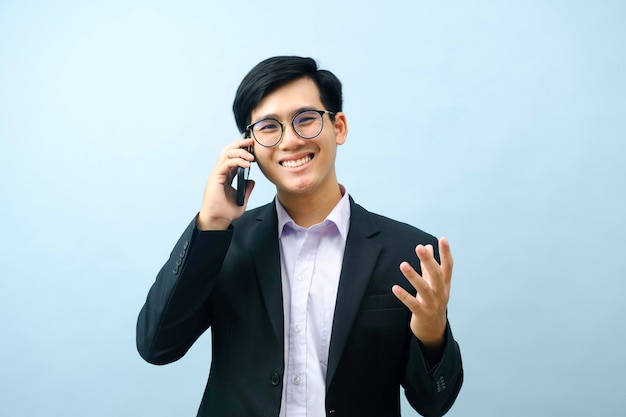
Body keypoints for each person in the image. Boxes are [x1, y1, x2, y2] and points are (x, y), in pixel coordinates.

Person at [136, 56, 463, 417]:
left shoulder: (409, 252)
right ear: (249, 147)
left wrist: (433, 333)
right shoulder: (222, 243)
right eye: (268, 127)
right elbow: (157, 348)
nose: (290, 140)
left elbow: (435, 403)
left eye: (305, 119)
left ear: (338, 126)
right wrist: (211, 222)